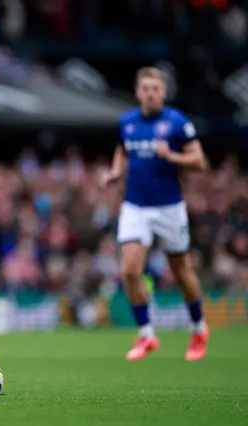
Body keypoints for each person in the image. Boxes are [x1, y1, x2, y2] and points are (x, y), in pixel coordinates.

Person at [100, 67, 209, 361]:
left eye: (156, 88)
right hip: (135, 206)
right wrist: (115, 172)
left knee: (181, 272)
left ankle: (198, 328)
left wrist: (171, 155)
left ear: (163, 92)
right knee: (129, 271)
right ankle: (146, 335)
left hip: (169, 207)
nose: (150, 93)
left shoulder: (176, 123)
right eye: (145, 88)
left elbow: (199, 161)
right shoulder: (128, 122)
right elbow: (122, 150)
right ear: (137, 92)